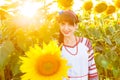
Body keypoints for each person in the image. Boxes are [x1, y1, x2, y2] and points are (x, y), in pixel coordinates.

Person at [57, 10, 98, 80]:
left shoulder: (85, 43)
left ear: (76, 26)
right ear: (59, 25)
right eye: (63, 24)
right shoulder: (56, 47)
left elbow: (92, 68)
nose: (66, 28)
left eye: (70, 24)